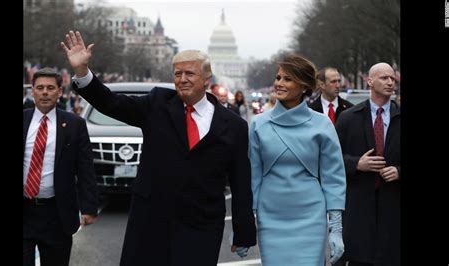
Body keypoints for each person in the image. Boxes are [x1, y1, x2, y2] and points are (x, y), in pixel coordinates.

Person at [61, 30, 256, 266]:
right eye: (178, 73)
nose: (182, 79)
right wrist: (82, 71)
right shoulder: (157, 104)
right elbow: (111, 102)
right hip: (151, 221)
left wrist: (243, 230)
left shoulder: (233, 125)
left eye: (190, 73)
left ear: (207, 79)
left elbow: (240, 181)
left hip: (201, 225)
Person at [248, 54, 346, 265]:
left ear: (303, 86)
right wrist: (245, 223)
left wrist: (336, 228)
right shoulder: (258, 124)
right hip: (270, 217)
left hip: (311, 218)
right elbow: (252, 177)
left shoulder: (323, 125)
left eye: (287, 79)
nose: (279, 83)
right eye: (278, 77)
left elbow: (334, 177)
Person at [23, 67, 99, 266]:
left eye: (50, 88)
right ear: (33, 91)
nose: (45, 92)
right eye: (40, 88)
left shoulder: (75, 125)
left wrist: (89, 207)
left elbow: (85, 168)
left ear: (59, 91)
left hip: (57, 214)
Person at [335, 63, 400, 266]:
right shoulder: (348, 118)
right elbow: (330, 160)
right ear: (369, 81)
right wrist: (357, 164)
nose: (390, 82)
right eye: (384, 78)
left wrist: (399, 171)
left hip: (394, 211)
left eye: (393, 79)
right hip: (359, 209)